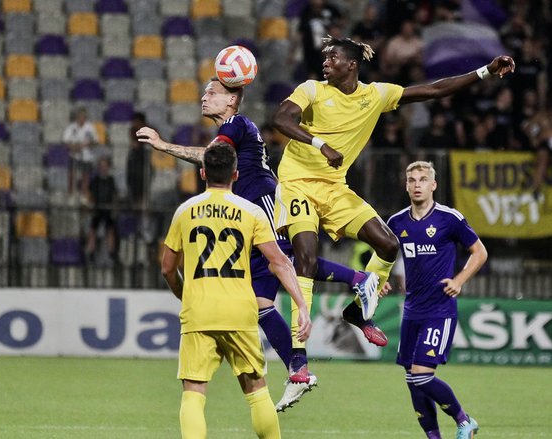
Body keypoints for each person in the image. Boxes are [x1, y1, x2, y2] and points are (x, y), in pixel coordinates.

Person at [137, 77, 387, 412]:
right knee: (260, 302)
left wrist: (163, 145)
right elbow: (213, 158)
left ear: (232, 100)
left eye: (213, 93)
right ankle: (298, 370)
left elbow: (211, 158)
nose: (204, 97)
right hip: (247, 212)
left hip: (263, 202)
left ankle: (359, 280)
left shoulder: (238, 124)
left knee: (287, 259)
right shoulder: (231, 131)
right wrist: (163, 145)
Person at [271, 35, 512, 382]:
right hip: (297, 184)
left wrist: (486, 72)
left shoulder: (375, 95)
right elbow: (281, 119)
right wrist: (320, 144)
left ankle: (357, 312)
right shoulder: (311, 89)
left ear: (352, 65)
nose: (326, 62)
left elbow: (433, 90)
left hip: (335, 189)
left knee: (387, 244)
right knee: (306, 258)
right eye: (325, 57)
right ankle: (298, 358)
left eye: (333, 57)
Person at [161, 142, 312, 439]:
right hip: (240, 311)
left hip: (199, 311)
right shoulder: (251, 211)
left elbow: (167, 268)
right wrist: (301, 305)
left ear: (203, 172)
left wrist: (184, 294)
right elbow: (279, 261)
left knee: (193, 392)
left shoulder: (185, 211)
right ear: (236, 174)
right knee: (256, 389)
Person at [386, 161, 488, 439]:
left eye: (422, 179)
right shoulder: (396, 222)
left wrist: (459, 280)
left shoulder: (448, 218)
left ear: (433, 185)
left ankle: (464, 419)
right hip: (411, 311)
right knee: (412, 380)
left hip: (439, 310)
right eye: (411, 180)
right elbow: (383, 257)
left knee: (421, 375)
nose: (417, 184)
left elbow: (479, 252)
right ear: (406, 185)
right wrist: (381, 280)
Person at [85, 156, 118, 265]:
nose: (103, 168)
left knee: (110, 229)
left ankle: (111, 253)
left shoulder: (111, 180)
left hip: (107, 209)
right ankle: (91, 252)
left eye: (105, 166)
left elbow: (114, 195)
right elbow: (89, 193)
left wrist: (113, 207)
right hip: (97, 209)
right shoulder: (95, 180)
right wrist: (91, 205)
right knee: (93, 229)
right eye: (101, 166)